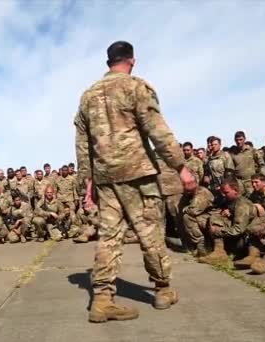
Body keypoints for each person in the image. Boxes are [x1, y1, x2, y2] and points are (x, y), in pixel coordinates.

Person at [74, 40, 194, 322]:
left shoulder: (87, 96)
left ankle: (102, 300)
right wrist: (181, 167)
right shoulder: (136, 87)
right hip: (137, 173)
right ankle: (162, 290)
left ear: (108, 63)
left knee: (108, 237)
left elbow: (82, 144)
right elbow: (157, 130)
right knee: (150, 232)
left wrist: (87, 181)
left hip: (105, 178)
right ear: (132, 60)